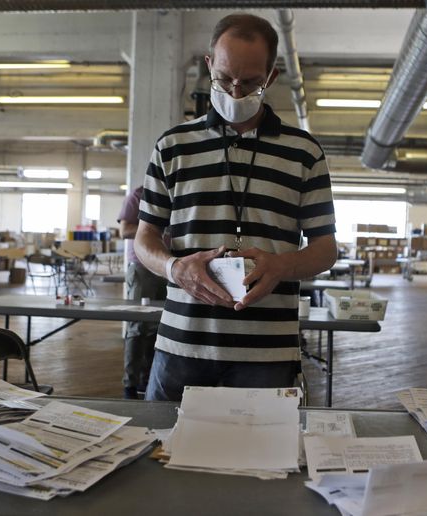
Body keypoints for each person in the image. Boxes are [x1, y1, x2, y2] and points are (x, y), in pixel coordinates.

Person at [135, 13, 338, 402]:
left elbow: (326, 248)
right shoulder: (172, 146)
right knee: (165, 452)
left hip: (267, 353)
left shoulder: (304, 152)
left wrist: (282, 265)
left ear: (271, 78)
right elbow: (144, 238)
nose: (234, 90)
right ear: (209, 64)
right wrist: (174, 268)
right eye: (224, 78)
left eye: (249, 82)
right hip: (183, 345)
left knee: (266, 457)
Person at [117, 186, 168, 399]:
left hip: (167, 267)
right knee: (138, 326)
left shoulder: (170, 194)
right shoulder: (137, 196)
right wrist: (154, 230)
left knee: (158, 327)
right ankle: (130, 383)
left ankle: (147, 381)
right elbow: (125, 230)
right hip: (142, 267)